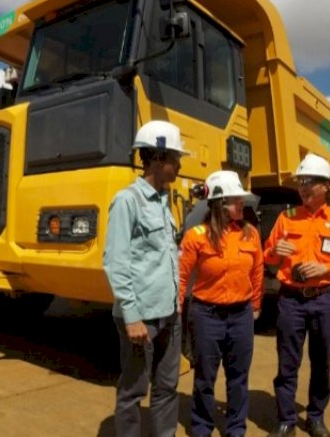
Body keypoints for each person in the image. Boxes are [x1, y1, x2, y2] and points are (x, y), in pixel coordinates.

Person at [263, 153, 330, 437]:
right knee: (287, 362)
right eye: (301, 182)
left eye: (310, 182)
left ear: (325, 186)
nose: (303, 188)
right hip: (290, 300)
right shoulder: (286, 217)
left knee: (321, 362)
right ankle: (286, 420)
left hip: (325, 299)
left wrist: (325, 267)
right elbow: (267, 256)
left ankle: (316, 417)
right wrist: (273, 252)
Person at [103, 120, 188, 437]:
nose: (179, 165)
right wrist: (132, 315)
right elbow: (115, 262)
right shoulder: (128, 201)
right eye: (175, 158)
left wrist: (177, 304)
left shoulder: (165, 201)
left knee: (167, 387)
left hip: (168, 314)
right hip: (142, 319)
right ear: (157, 157)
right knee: (133, 391)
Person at [179, 170, 264, 437]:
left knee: (238, 378)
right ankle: (202, 427)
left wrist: (256, 304)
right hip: (206, 315)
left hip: (241, 315)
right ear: (219, 204)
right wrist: (176, 307)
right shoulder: (196, 236)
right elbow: (181, 276)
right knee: (205, 377)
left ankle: (235, 428)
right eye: (236, 200)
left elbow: (257, 270)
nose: (242, 204)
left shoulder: (250, 234)